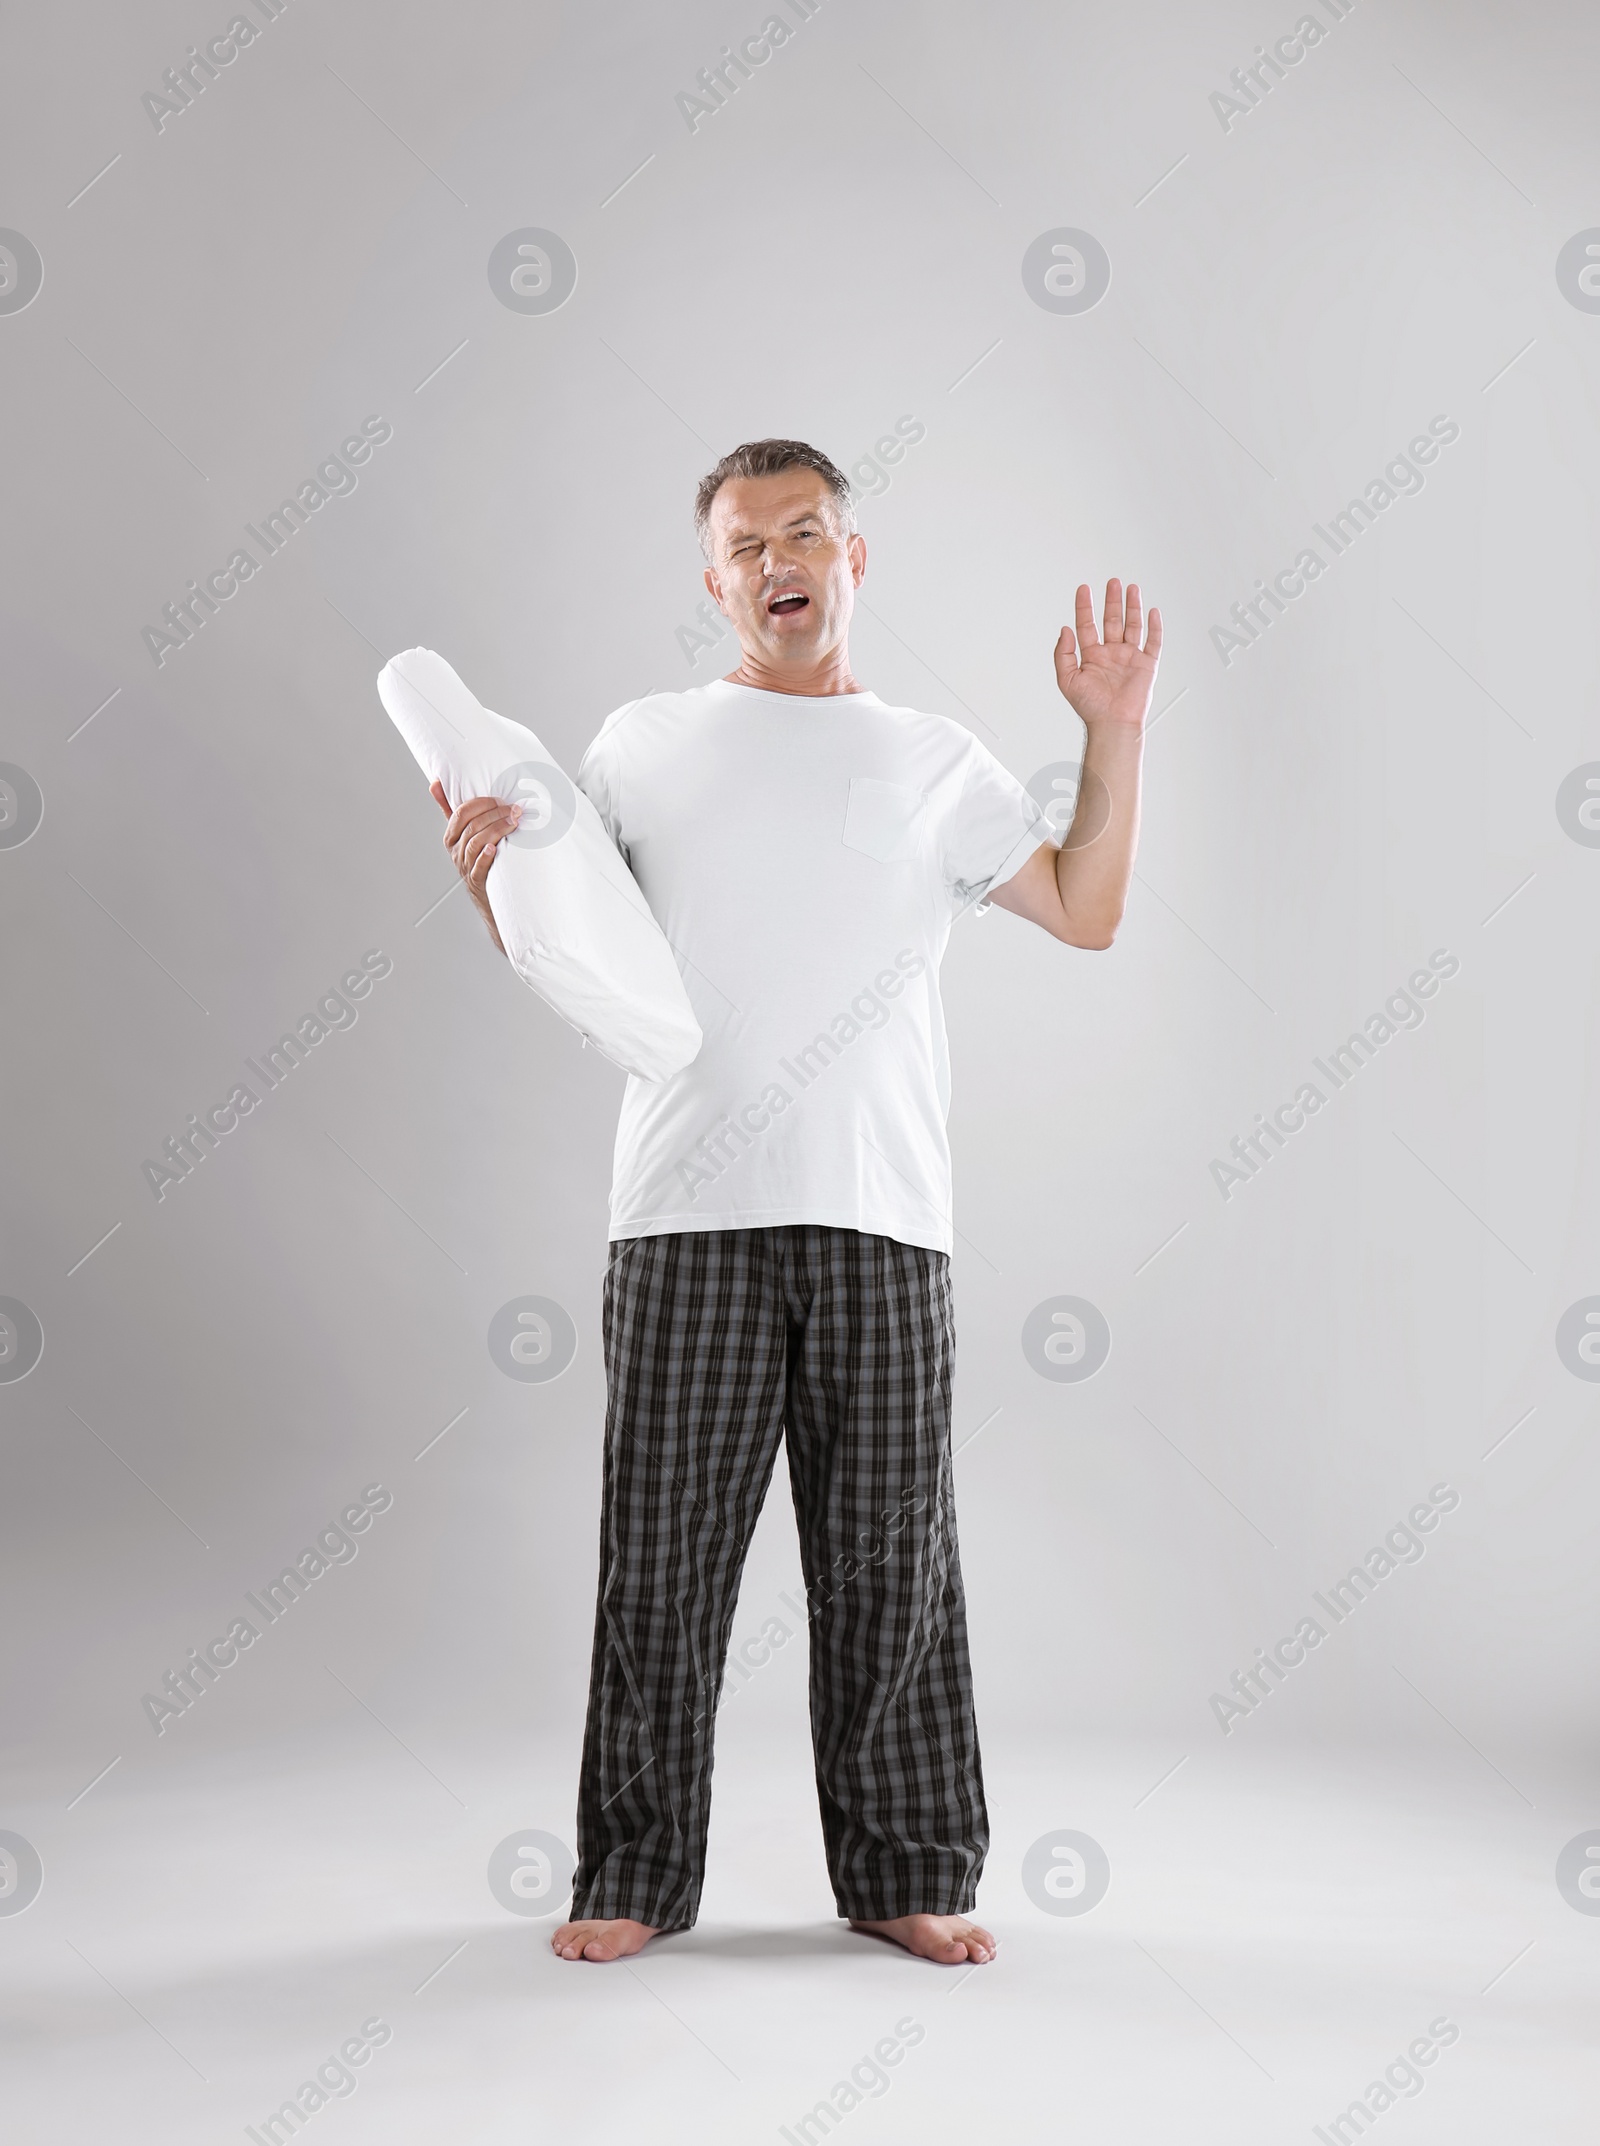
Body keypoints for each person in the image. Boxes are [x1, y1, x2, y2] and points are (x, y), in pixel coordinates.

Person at [432, 439, 1159, 1966]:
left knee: (891, 1558)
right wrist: (488, 880)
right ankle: (631, 1869)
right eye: (751, 540)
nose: (783, 557)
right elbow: (578, 950)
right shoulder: (638, 745)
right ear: (717, 579)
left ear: (852, 557)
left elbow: (1087, 911)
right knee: (664, 1557)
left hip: (883, 1217)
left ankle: (903, 1867)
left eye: (809, 530)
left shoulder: (933, 759)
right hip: (682, 1215)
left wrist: (1115, 732)